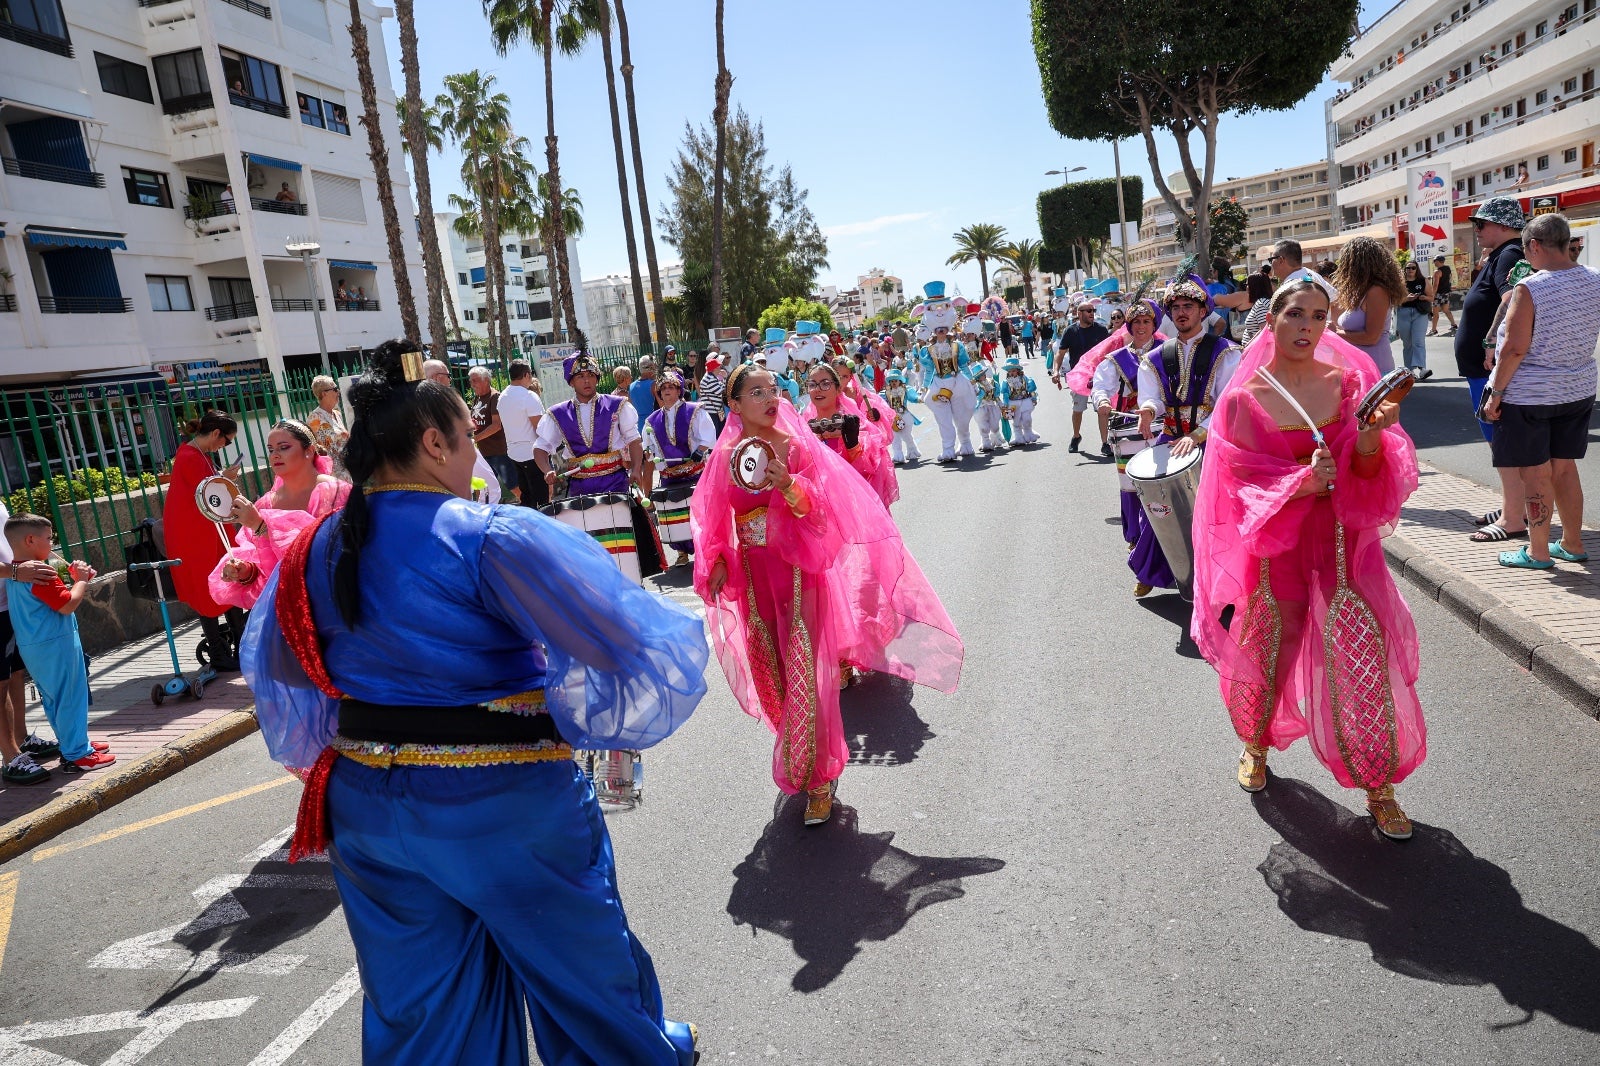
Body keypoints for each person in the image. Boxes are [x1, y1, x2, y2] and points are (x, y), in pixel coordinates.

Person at [241, 339, 707, 1065]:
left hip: (366, 805)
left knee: (421, 1012)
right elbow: (633, 645)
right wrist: (566, 706)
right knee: (584, 984)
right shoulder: (488, 536)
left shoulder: (316, 547)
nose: (473, 453)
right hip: (501, 799)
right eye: (467, 432)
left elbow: (277, 666)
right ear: (434, 442)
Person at [1191, 272, 1426, 841]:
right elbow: (1238, 483)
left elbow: (1368, 475)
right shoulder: (1247, 398)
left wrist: (1369, 437)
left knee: (1362, 654)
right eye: (1296, 313)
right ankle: (1255, 744)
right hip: (1280, 548)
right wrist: (1301, 482)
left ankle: (1379, 785)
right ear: (1271, 319)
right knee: (1274, 644)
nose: (1308, 327)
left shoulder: (1347, 383)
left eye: (1319, 316)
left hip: (1345, 545)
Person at [691, 364, 963, 827]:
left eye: (772, 388)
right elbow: (712, 518)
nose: (769, 397)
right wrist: (716, 561)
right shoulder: (727, 456)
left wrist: (788, 484)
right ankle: (800, 750)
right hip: (756, 581)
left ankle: (820, 778)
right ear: (734, 405)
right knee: (773, 674)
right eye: (755, 392)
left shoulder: (795, 447)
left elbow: (820, 509)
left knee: (808, 674)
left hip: (799, 574)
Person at [1479, 212, 1600, 570]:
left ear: (1534, 246)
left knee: (1535, 473)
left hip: (1530, 395)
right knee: (1564, 467)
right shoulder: (1594, 279)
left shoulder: (1531, 287)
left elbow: (1515, 348)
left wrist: (1496, 393)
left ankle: (1538, 551)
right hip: (1577, 388)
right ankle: (1573, 543)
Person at [4, 514, 114, 775]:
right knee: (70, 696)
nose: (52, 542)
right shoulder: (41, 571)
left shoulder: (16, 570)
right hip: (56, 644)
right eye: (48, 537)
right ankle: (78, 754)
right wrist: (82, 580)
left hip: (35, 646)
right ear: (30, 540)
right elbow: (67, 604)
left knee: (56, 698)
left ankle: (74, 744)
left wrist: (74, 579)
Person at [209, 420, 350, 610]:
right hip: (287, 612)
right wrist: (245, 571)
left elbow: (324, 554)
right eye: (270, 449)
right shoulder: (265, 504)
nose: (275, 455)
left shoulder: (333, 492)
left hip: (334, 606)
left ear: (308, 450)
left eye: (283, 447)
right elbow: (266, 570)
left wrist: (262, 527)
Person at [1457, 197, 1529, 542]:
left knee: (1501, 441)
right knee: (1500, 441)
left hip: (1488, 366)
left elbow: (1510, 299)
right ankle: (1514, 507)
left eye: (1481, 224)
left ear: (1502, 226)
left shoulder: (1510, 254)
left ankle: (1514, 518)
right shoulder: (1502, 255)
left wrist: (1490, 343)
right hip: (1482, 367)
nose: (1478, 230)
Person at [163, 409, 247, 671]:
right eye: (226, 441)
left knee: (225, 579)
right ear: (215, 434)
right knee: (209, 585)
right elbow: (209, 491)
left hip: (204, 529)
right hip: (196, 533)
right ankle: (222, 652)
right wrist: (226, 478)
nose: (225, 446)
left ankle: (237, 647)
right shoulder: (191, 456)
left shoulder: (194, 454)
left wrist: (222, 478)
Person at [1091, 298, 1162, 561]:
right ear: (1128, 326)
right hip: (1129, 430)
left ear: (1154, 324)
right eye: (1136, 322)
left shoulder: (1167, 352)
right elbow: (1101, 387)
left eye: (1146, 321)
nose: (1141, 327)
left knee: (1161, 486)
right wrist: (1101, 402)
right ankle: (1136, 541)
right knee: (1132, 487)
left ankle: (1165, 543)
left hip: (1162, 427)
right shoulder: (1117, 359)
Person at [0, 500, 63, 784]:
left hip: (9, 602)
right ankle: (10, 757)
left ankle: (21, 738)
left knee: (14, 674)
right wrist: (15, 572)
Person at [534, 353, 644, 501]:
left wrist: (636, 469)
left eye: (591, 375)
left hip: (616, 483)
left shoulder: (616, 405)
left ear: (597, 378)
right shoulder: (558, 413)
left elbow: (634, 439)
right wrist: (547, 470)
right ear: (571, 382)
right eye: (580, 376)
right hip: (580, 487)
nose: (587, 380)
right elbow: (540, 447)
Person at [643, 369, 715, 567]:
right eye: (663, 388)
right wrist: (650, 454)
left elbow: (708, 436)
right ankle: (682, 552)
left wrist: (700, 450)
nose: (666, 390)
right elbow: (648, 446)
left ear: (679, 390)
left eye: (671, 387)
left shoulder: (695, 410)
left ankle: (702, 548)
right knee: (676, 515)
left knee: (697, 512)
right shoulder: (652, 420)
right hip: (669, 475)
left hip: (694, 472)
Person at [802, 361, 899, 509]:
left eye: (825, 384)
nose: (818, 390)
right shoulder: (803, 428)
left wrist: (853, 445)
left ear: (837, 388)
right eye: (812, 384)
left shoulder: (855, 426)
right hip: (823, 509)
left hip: (854, 507)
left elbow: (868, 473)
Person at [914, 283, 977, 463]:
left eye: (943, 329)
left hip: (957, 382)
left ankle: (965, 442)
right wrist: (924, 388)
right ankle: (948, 449)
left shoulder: (958, 346)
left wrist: (973, 382)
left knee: (962, 416)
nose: (941, 331)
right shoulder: (927, 350)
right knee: (943, 420)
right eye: (938, 329)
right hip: (938, 384)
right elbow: (929, 370)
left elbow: (964, 366)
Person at [1330, 235, 1403, 374]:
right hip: (1360, 369)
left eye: (1346, 261)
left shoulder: (1377, 291)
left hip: (1375, 370)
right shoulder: (1361, 292)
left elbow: (1372, 337)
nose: (1342, 266)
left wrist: (1336, 333)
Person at [1052, 301, 1110, 454]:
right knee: (1078, 409)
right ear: (1079, 313)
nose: (1092, 313)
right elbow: (1060, 353)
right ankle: (1076, 436)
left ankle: (1105, 443)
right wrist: (1056, 371)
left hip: (1099, 376)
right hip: (1079, 377)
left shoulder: (1102, 330)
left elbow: (1111, 349)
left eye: (1093, 310)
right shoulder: (1071, 331)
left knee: (1101, 409)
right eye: (1088, 310)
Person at [498, 360, 547, 508]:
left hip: (514, 453)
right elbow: (539, 428)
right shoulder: (528, 396)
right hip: (533, 454)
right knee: (542, 500)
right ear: (526, 375)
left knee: (526, 497)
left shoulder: (502, 397)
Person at [467, 367, 516, 497]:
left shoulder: (495, 397)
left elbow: (496, 425)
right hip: (484, 453)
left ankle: (529, 508)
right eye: (471, 381)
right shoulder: (477, 398)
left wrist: (475, 439)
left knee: (512, 485)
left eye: (475, 381)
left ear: (486, 381)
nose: (472, 384)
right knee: (482, 486)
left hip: (499, 452)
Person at [305, 375, 351, 475]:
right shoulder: (315, 418)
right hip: (332, 474)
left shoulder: (336, 414)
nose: (338, 392)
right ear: (324, 393)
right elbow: (320, 448)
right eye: (334, 389)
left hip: (347, 470)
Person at [1396, 260, 1435, 377]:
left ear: (1417, 269)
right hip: (1403, 312)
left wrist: (1424, 297)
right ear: (1405, 269)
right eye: (1408, 268)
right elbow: (1394, 300)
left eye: (1413, 268)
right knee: (1407, 343)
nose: (1410, 270)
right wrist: (1406, 299)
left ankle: (1422, 368)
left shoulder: (1423, 281)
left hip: (1420, 313)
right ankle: (1410, 370)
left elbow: (1432, 297)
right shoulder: (1400, 283)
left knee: (1418, 341)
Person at [882, 369, 922, 464]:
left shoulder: (906, 389)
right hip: (893, 417)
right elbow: (880, 403)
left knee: (907, 436)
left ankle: (912, 451)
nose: (894, 383)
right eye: (891, 381)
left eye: (895, 380)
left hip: (905, 415)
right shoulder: (885, 392)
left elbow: (914, 398)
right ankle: (898, 456)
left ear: (900, 380)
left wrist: (921, 399)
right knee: (895, 437)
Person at [1000, 358, 1039, 445]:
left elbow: (1032, 390)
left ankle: (1029, 434)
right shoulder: (1006, 382)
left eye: (1013, 371)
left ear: (1018, 370)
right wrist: (1005, 405)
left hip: (1025, 401)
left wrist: (1034, 398)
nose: (1011, 373)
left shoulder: (1025, 379)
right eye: (1009, 371)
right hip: (1013, 403)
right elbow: (1005, 394)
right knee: (1016, 421)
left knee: (1027, 419)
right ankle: (1018, 438)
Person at [970, 361, 1005, 452]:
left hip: (992, 406)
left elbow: (996, 396)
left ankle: (996, 438)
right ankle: (985, 442)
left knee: (994, 425)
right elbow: (976, 396)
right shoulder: (975, 386)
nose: (982, 376)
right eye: (979, 375)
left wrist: (1001, 405)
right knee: (983, 426)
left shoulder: (992, 382)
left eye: (982, 374)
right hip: (981, 407)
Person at [1236, 271, 1278, 348]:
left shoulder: (1261, 304)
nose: (1247, 287)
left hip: (1257, 351)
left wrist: (1248, 346)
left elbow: (1264, 331)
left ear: (1255, 286)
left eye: (1248, 284)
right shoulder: (1266, 302)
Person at [1428, 254, 1457, 335]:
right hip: (1446, 292)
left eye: (1435, 261)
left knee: (1435, 313)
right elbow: (1447, 278)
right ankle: (1454, 325)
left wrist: (1432, 295)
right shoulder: (1447, 268)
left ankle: (1433, 330)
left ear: (1438, 261)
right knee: (1446, 310)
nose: (1434, 262)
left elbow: (1435, 285)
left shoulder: (1437, 272)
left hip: (1438, 294)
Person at [698, 354, 727, 434]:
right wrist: (724, 378)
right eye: (718, 367)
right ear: (714, 369)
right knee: (716, 434)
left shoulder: (712, 377)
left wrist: (723, 380)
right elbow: (721, 394)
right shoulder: (710, 379)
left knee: (718, 433)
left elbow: (722, 389)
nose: (720, 369)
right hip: (712, 412)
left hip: (715, 411)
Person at [630, 356, 658, 430]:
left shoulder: (631, 386)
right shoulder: (653, 384)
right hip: (652, 424)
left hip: (638, 426)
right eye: (655, 367)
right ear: (651, 368)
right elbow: (663, 407)